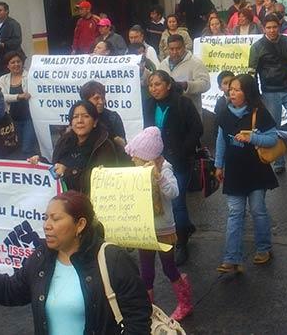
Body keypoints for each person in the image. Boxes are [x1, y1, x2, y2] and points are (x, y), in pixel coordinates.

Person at [0, 190, 151, 334]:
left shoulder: (112, 258)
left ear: (80, 224)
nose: (46, 226)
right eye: (45, 218)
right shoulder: (42, 258)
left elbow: (138, 319)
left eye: (56, 219)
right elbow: (10, 290)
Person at [124, 127, 193, 321]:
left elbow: (174, 192)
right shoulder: (137, 171)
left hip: (164, 229)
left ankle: (185, 303)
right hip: (145, 228)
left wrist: (159, 177)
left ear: (147, 157)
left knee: (168, 267)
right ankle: (148, 307)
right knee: (146, 271)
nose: (132, 159)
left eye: (135, 155)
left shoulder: (164, 168)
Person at [214, 74, 279, 273]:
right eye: (230, 89)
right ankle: (232, 258)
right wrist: (218, 165)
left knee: (258, 210)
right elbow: (221, 140)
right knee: (235, 213)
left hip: (256, 171)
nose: (232, 93)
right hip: (234, 172)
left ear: (247, 92)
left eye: (237, 89)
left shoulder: (259, 113)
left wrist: (252, 138)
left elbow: (273, 139)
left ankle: (264, 248)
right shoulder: (224, 113)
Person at [144, 70, 204, 266]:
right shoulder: (149, 104)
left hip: (180, 160)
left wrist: (183, 151)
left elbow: (197, 128)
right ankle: (185, 227)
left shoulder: (182, 103)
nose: (154, 89)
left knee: (177, 201)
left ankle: (182, 243)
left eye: (158, 84)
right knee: (163, 200)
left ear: (168, 85)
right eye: (151, 85)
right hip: (156, 161)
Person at [248, 14, 287, 172]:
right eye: (268, 27)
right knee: (273, 128)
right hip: (270, 93)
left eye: (274, 27)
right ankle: (278, 161)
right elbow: (251, 73)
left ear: (279, 27)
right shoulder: (257, 47)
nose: (271, 30)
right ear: (263, 28)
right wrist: (254, 96)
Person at [29, 101, 127, 194]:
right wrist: (41, 163)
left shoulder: (104, 145)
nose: (80, 121)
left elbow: (102, 180)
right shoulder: (64, 141)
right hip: (63, 200)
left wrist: (68, 172)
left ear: (95, 122)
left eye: (86, 116)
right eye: (75, 117)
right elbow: (56, 168)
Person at [158, 35, 211, 117]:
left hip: (190, 114)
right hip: (168, 113)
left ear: (184, 47)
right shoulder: (163, 64)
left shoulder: (196, 63)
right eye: (172, 49)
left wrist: (186, 85)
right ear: (168, 49)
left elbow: (206, 84)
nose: (175, 52)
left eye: (178, 48)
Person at [0, 51, 38, 157]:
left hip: (29, 118)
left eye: (18, 61)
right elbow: (1, 97)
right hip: (12, 120)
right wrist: (19, 97)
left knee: (27, 148)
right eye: (12, 62)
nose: (16, 64)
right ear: (8, 65)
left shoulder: (30, 76)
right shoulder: (3, 79)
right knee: (16, 147)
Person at [79, 80, 126, 148]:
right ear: (85, 100)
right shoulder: (78, 119)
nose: (101, 102)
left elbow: (123, 147)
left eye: (103, 98)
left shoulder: (113, 117)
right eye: (96, 98)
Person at [0, 1, 23, 80]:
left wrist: (4, 44)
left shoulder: (13, 24)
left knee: (9, 78)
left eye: (0, 10)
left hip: (10, 56)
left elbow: (17, 40)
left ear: (6, 11)